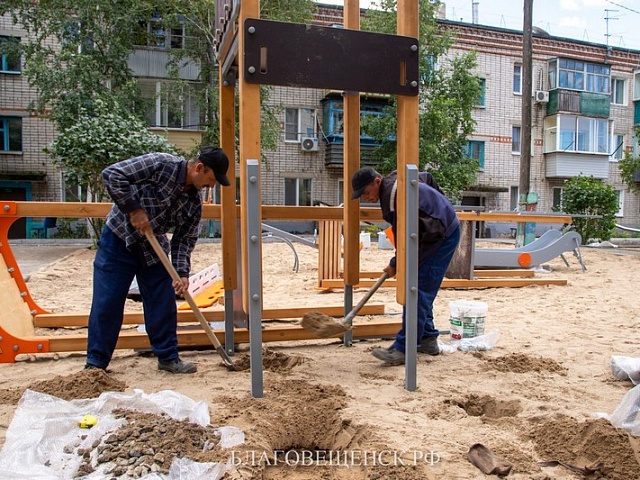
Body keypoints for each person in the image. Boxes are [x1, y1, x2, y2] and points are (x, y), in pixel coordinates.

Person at [84, 146, 231, 374]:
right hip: (119, 240)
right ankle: (96, 363)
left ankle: (168, 358)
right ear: (199, 168)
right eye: (211, 180)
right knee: (108, 302)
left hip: (153, 249)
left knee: (162, 302)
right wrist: (134, 210)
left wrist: (182, 273)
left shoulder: (194, 203)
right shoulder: (160, 164)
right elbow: (112, 174)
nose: (211, 186)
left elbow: (184, 239)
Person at [351, 167, 460, 365]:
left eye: (366, 193)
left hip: (440, 235)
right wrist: (441, 204)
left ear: (377, 181)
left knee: (416, 290)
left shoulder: (393, 198)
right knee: (419, 285)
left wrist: (395, 263)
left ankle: (402, 349)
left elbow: (403, 239)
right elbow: (426, 177)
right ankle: (428, 339)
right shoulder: (398, 178)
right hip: (436, 228)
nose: (365, 198)